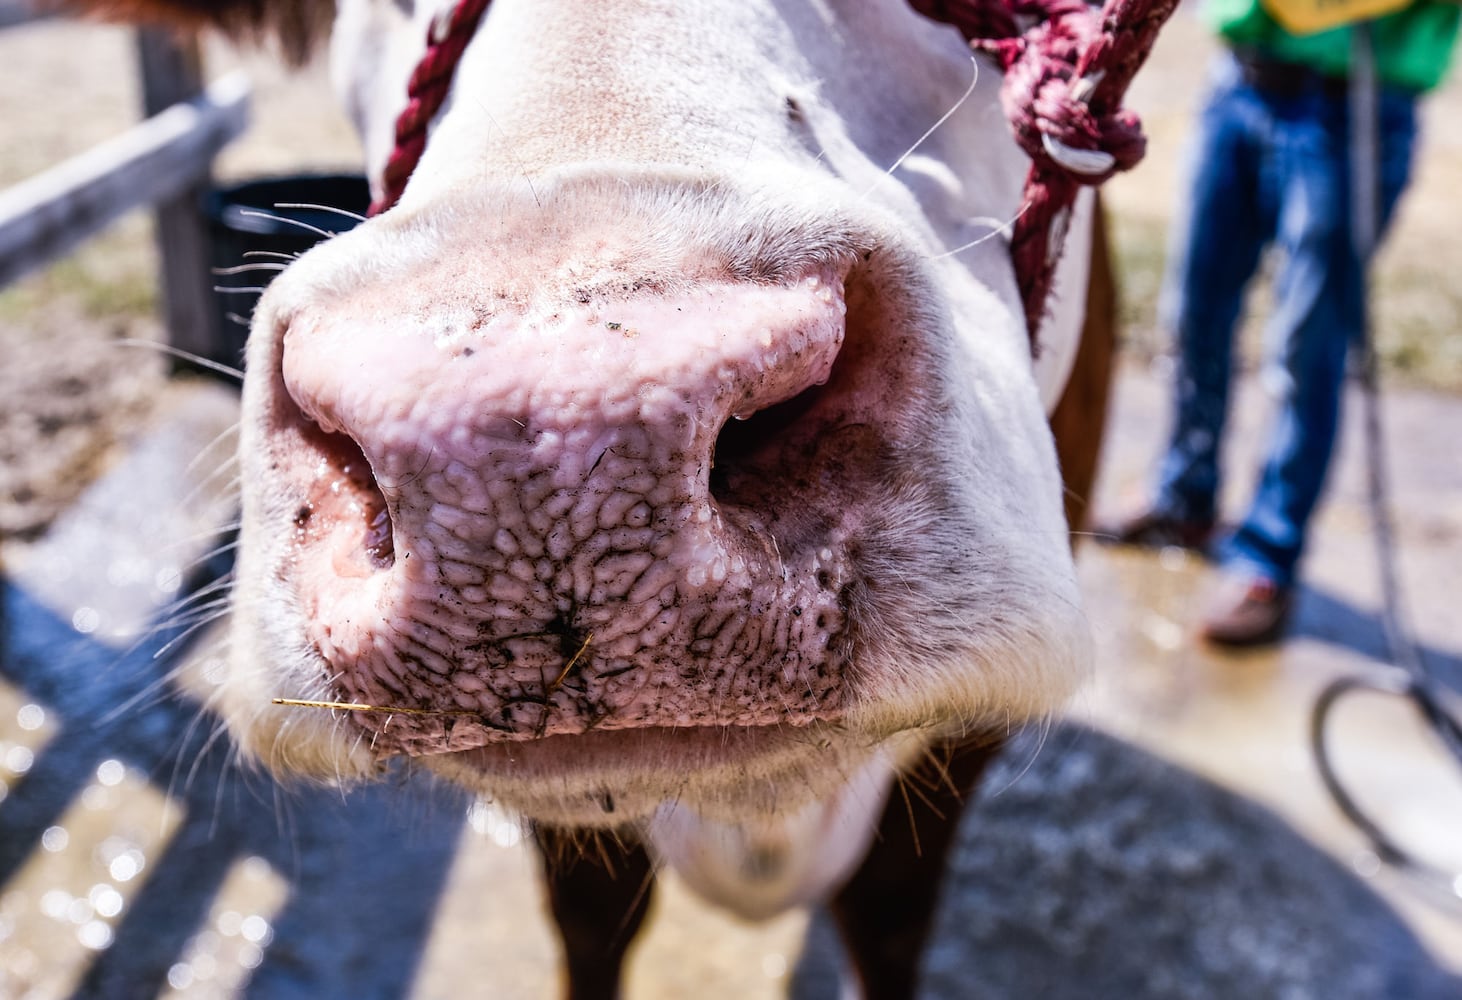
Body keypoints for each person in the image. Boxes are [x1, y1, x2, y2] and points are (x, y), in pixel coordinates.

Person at [1102, 1, 1459, 645]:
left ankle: (1268, 556)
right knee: (1192, 313)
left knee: (1303, 349)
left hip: (1353, 108)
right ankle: (1184, 496)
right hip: (1238, 83)